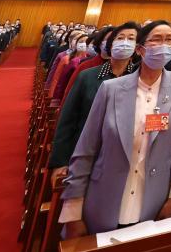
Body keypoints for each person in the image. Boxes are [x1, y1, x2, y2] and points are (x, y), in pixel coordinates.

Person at [59, 21, 171, 237]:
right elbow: (86, 149)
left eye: (169, 40)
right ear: (140, 49)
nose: (164, 45)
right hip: (105, 197)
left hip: (153, 201)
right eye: (156, 40)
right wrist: (73, 211)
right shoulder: (111, 89)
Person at [49, 23, 139, 172]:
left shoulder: (139, 79)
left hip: (123, 157)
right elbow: (68, 119)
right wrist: (60, 162)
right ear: (110, 44)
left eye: (131, 39)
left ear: (137, 47)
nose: (125, 42)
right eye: (120, 38)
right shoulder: (88, 75)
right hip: (84, 151)